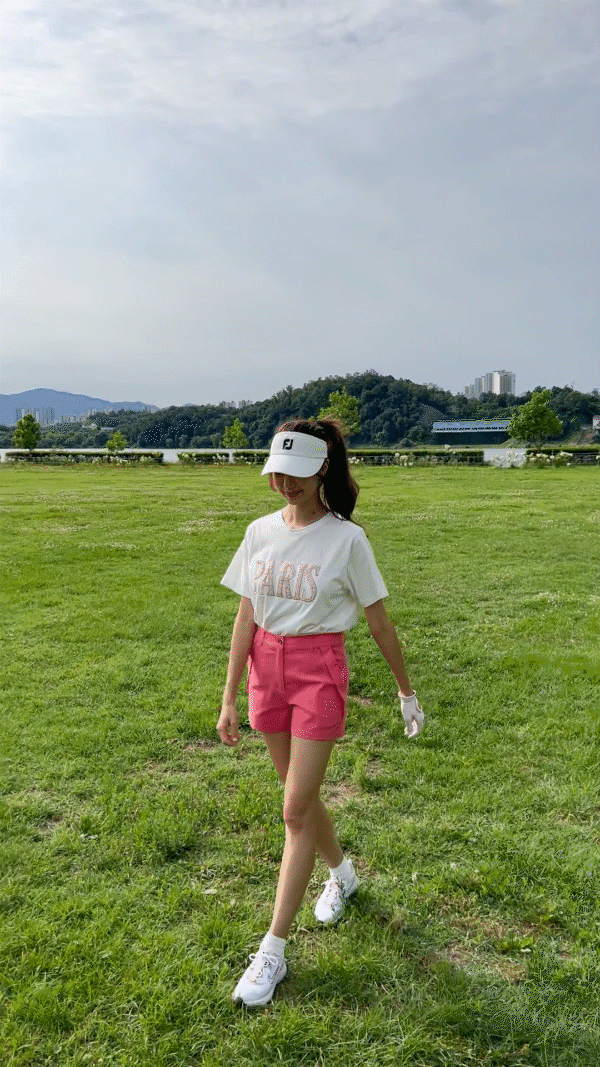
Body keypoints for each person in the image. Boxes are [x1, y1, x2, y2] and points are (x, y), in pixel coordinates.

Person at [217, 418, 424, 1007]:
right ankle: (343, 875)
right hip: (266, 669)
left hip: (317, 671)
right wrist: (229, 696)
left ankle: (273, 950)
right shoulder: (259, 532)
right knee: (301, 800)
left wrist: (405, 692)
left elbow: (379, 621)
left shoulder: (346, 540)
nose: (286, 484)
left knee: (293, 809)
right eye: (278, 473)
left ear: (323, 469)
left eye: (299, 474)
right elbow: (245, 616)